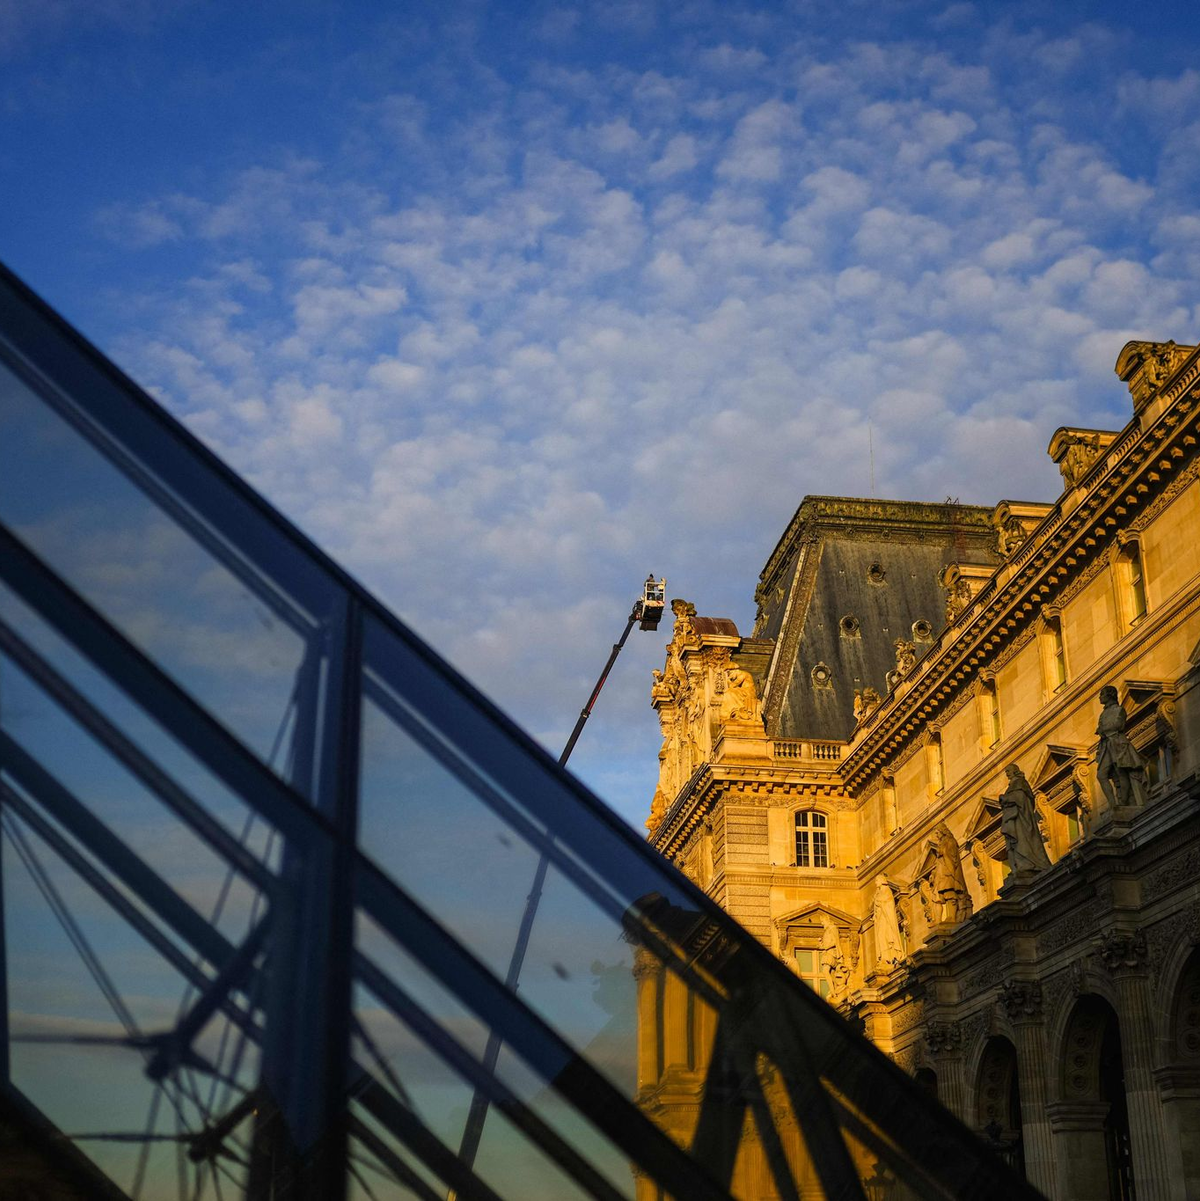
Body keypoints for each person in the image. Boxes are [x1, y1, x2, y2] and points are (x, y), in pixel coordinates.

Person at [1096, 685, 1148, 808]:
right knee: (1101, 775)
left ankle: (1123, 802)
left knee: (1121, 772)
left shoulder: (1119, 710)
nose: (1099, 697)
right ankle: (1113, 804)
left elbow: (1117, 725)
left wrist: (1103, 730)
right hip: (1106, 745)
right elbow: (1102, 728)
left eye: (1102, 694)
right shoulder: (1103, 714)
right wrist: (1103, 730)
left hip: (1118, 743)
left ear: (1109, 695)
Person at [999, 764, 1051, 874]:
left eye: (1009, 771)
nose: (1007, 773)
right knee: (1016, 841)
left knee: (1021, 840)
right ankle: (1020, 864)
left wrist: (1006, 798)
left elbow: (1020, 798)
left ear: (1015, 771)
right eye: (1006, 771)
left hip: (1020, 818)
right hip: (1014, 818)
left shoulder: (1020, 783)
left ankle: (1027, 863)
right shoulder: (1013, 785)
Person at [927, 823, 969, 923]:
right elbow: (937, 863)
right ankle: (943, 918)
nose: (936, 835)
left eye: (937, 833)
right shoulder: (941, 843)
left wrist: (943, 852)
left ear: (942, 831)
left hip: (948, 872)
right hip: (941, 874)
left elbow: (953, 856)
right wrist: (933, 874)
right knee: (942, 895)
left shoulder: (950, 841)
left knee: (950, 893)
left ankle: (952, 916)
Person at [872, 875, 904, 967]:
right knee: (880, 936)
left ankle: (888, 957)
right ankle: (884, 957)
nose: (875, 882)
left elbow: (888, 903)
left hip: (886, 918)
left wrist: (879, 903)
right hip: (880, 918)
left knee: (884, 935)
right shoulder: (878, 893)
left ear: (882, 880)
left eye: (877, 880)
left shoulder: (887, 890)